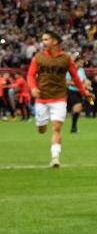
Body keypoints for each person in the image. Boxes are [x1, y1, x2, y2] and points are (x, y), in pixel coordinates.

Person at [26, 31, 91, 167]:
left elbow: (75, 78)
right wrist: (33, 88)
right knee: (42, 129)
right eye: (43, 39)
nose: (43, 42)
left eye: (46, 39)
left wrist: (84, 92)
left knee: (56, 127)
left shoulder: (66, 59)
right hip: (41, 99)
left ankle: (55, 158)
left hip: (59, 98)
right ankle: (41, 124)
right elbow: (31, 76)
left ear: (54, 42)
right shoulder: (38, 57)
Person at [65, 57, 89, 134]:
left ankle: (73, 127)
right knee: (78, 107)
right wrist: (77, 84)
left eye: (82, 63)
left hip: (80, 91)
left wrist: (88, 83)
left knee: (78, 108)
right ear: (76, 62)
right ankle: (73, 127)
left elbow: (85, 80)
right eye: (80, 63)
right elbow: (66, 82)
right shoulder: (70, 70)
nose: (82, 65)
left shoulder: (81, 70)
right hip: (71, 91)